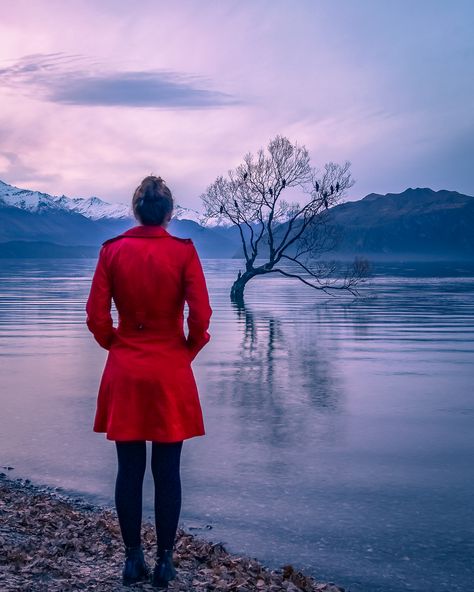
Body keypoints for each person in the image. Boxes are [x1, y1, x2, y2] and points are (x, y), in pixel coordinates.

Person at [85, 175, 212, 587]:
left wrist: (117, 348)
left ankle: (131, 560)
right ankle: (165, 563)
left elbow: (97, 317)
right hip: (170, 370)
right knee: (168, 470)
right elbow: (202, 315)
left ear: (135, 210)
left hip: (126, 367)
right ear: (170, 214)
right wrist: (186, 351)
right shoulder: (183, 252)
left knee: (129, 469)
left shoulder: (112, 251)